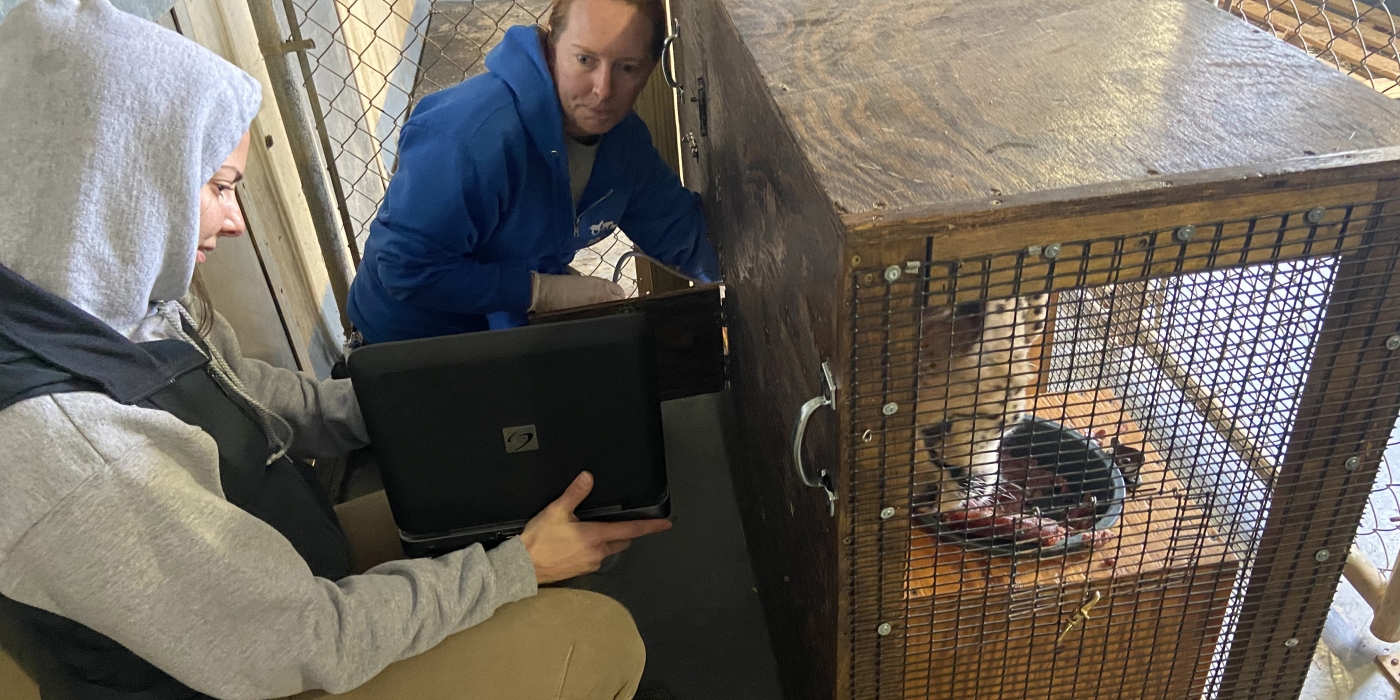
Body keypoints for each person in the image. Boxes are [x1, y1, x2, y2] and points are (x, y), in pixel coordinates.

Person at [0, 1, 670, 698]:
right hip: (266, 667)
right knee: (595, 637)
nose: (232, 221)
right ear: (118, 187)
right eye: (219, 188)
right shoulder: (73, 461)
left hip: (273, 562)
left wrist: (443, 397)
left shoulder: (111, 305)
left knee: (524, 490)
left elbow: (251, 394)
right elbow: (303, 639)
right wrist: (517, 567)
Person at [346, 0, 720, 344]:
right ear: (552, 43)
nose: (603, 90)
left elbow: (686, 237)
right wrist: (539, 292)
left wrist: (763, 275)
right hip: (405, 341)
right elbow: (402, 267)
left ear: (652, 69)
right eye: (585, 60)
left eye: (627, 67)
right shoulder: (472, 138)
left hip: (501, 330)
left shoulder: (623, 144)